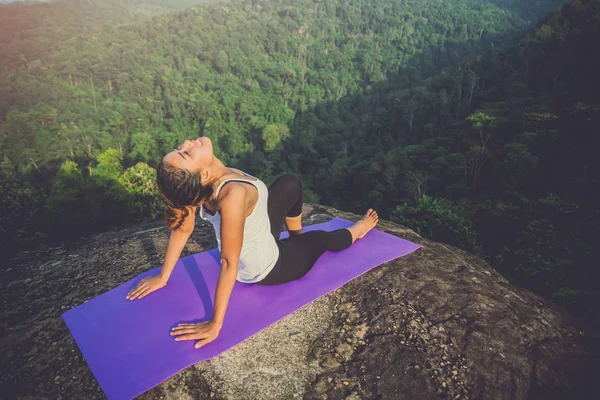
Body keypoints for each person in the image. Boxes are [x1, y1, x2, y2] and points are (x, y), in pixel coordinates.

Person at [126, 136, 379, 348]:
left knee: (291, 183)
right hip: (269, 266)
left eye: (180, 148)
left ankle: (297, 238)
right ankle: (358, 231)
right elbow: (227, 261)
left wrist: (163, 277)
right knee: (322, 239)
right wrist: (215, 324)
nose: (187, 142)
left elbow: (182, 230)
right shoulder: (232, 194)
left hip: (263, 234)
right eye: (186, 153)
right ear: (202, 173)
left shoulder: (198, 185)